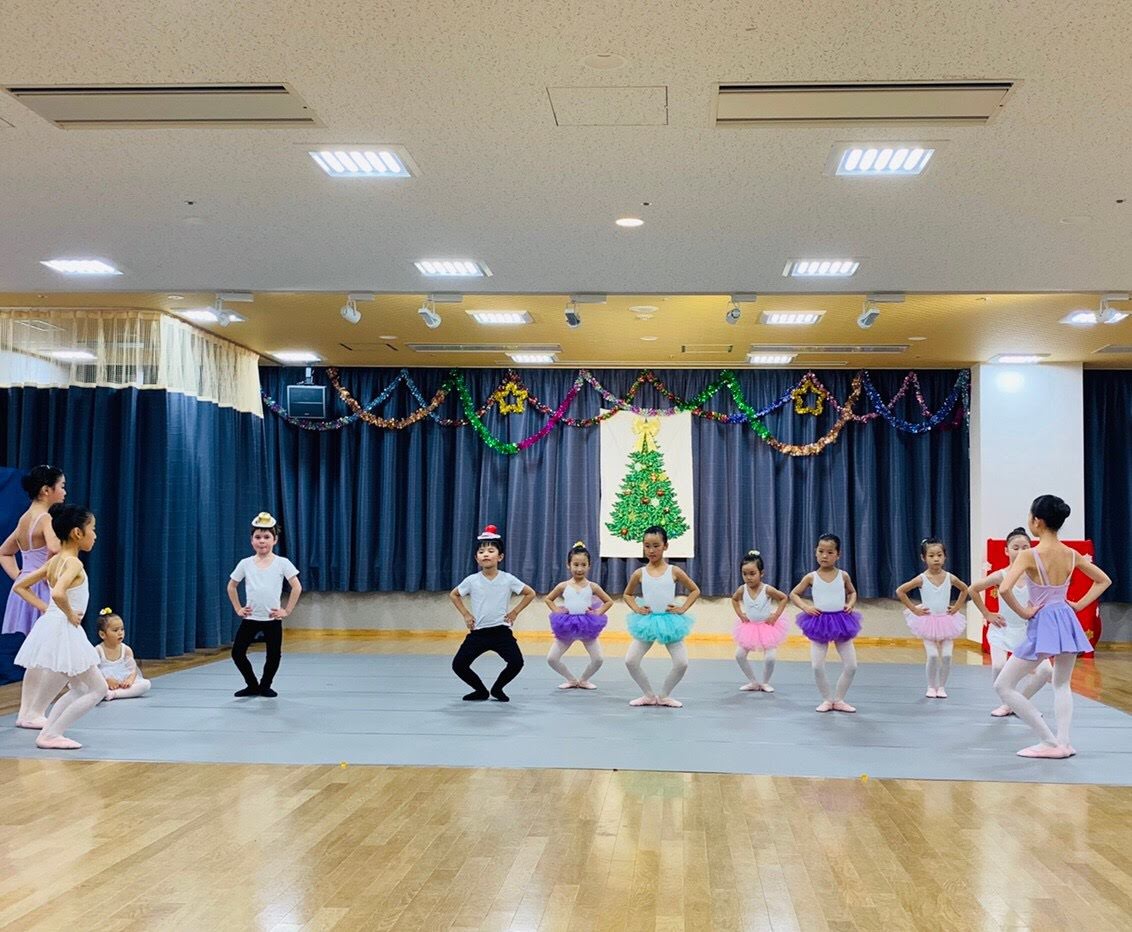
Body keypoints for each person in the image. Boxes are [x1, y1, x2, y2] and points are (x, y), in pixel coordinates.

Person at [994, 495, 1110, 759]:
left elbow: (1004, 588)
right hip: (1066, 619)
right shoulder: (1071, 554)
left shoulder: (1028, 555)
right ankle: (1064, 743)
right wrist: (1079, 605)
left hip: (1043, 621)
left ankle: (1048, 740)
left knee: (1003, 686)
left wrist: (1024, 612)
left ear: (1037, 521)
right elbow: (1104, 580)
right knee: (1061, 684)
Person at [12, 503, 106, 749]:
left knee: (79, 687)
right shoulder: (73, 563)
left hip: (54, 625)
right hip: (64, 628)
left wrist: (47, 609)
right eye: (92, 529)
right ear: (77, 533)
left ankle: (49, 732)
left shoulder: (54, 561)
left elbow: (20, 586)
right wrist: (70, 615)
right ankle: (51, 734)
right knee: (98, 689)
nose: (95, 535)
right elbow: (59, 593)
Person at [967, 527, 1051, 717]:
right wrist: (987, 614)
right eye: (1015, 547)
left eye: (1025, 547)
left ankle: (1018, 703)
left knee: (1045, 671)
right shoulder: (1001, 575)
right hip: (1003, 629)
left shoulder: (1036, 575)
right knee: (999, 666)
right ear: (1006, 551)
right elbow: (973, 589)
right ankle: (1007, 702)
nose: (1020, 551)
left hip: (1028, 631)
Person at [450, 525, 536, 701]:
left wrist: (515, 612)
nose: (486, 554)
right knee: (458, 665)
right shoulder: (472, 580)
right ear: (477, 558)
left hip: (501, 632)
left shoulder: (508, 579)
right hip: (478, 633)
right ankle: (480, 690)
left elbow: (530, 593)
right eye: (481, 552)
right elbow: (454, 594)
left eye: (491, 551)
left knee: (516, 662)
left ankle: (497, 688)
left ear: (500, 556)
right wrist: (466, 614)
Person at [622, 526, 701, 708]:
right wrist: (636, 608)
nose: (651, 550)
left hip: (669, 622)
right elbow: (627, 594)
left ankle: (664, 695)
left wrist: (683, 608)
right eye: (647, 546)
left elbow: (695, 590)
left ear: (665, 546)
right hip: (647, 621)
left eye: (656, 546)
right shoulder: (639, 573)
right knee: (631, 660)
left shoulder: (674, 571)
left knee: (681, 663)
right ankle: (649, 695)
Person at [227, 512, 301, 698]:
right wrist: (238, 608)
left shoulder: (282, 563)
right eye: (258, 537)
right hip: (251, 618)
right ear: (251, 540)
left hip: (272, 619)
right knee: (237, 653)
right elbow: (231, 586)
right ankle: (252, 684)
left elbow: (296, 587)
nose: (262, 541)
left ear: (275, 540)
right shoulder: (245, 563)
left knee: (273, 655)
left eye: (266, 537)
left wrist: (287, 610)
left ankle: (266, 685)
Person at [790, 533, 862, 713]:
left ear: (838, 554)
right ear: (815, 552)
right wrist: (805, 607)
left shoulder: (843, 575)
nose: (824, 556)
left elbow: (852, 592)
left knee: (851, 665)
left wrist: (850, 604)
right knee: (817, 665)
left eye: (830, 552)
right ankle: (827, 699)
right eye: (821, 551)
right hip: (819, 623)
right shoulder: (811, 577)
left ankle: (839, 699)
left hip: (842, 622)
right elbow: (794, 594)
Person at [895, 537, 969, 698]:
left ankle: (941, 687)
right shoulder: (922, 578)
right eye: (931, 555)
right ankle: (931, 686)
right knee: (933, 655)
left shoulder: (950, 577)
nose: (936, 559)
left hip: (947, 621)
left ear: (945, 557)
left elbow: (965, 589)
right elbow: (900, 591)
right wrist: (914, 609)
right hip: (927, 622)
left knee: (947, 656)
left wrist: (957, 607)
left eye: (939, 555)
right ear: (923, 558)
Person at [1, 465, 65, 636]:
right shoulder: (45, 518)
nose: (64, 492)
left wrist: (20, 576)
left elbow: (3, 552)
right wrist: (47, 573)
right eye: (62, 486)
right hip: (41, 588)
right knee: (49, 641)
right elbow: (54, 548)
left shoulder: (24, 519)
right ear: (46, 490)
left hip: (26, 587)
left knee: (35, 642)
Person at [543, 541, 614, 689]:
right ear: (568, 565)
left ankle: (584, 680)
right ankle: (571, 680)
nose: (579, 569)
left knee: (598, 659)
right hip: (566, 626)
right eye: (575, 564)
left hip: (587, 625)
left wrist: (598, 612)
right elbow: (548, 599)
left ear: (589, 566)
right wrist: (556, 610)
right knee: (552, 658)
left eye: (583, 565)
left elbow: (608, 601)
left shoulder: (593, 586)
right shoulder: (563, 586)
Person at [729, 549, 789, 692]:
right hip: (749, 628)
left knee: (770, 658)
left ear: (761, 573)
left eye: (752, 573)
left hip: (767, 628)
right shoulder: (742, 589)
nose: (748, 577)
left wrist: (775, 616)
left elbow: (783, 598)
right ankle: (753, 682)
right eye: (744, 574)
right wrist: (740, 614)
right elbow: (734, 599)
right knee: (739, 655)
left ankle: (765, 682)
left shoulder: (767, 589)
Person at [95, 608, 151, 700]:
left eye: (122, 629)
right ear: (102, 634)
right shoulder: (98, 650)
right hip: (104, 681)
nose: (120, 633)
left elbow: (133, 669)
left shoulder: (126, 650)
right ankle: (106, 692)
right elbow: (94, 672)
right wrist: (106, 681)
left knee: (146, 684)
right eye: (115, 630)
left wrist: (129, 680)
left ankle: (114, 694)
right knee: (89, 687)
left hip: (122, 681)